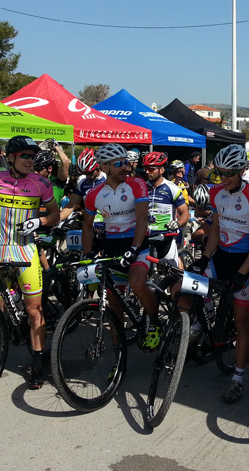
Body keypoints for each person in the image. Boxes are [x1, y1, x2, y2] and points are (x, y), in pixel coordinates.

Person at [0, 136, 59, 389]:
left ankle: (37, 361)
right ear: (10, 157)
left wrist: (40, 221)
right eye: (24, 155)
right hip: (1, 250)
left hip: (26, 251)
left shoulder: (41, 183)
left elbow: (55, 214)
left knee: (34, 311)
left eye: (32, 156)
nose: (30, 160)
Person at [191, 144, 249, 404]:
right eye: (220, 173)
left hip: (244, 261)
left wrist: (241, 273)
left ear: (242, 171)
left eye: (229, 174)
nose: (223, 178)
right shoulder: (215, 193)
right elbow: (215, 229)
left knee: (242, 322)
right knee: (189, 285)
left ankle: (238, 379)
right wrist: (205, 258)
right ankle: (203, 321)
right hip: (221, 255)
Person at [80, 144, 158, 351]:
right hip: (113, 245)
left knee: (137, 283)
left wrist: (134, 248)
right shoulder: (94, 193)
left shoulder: (137, 184)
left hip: (137, 242)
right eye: (119, 164)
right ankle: (119, 353)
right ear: (104, 167)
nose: (125, 167)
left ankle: (154, 321)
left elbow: (142, 219)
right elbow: (87, 225)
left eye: (126, 162)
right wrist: (87, 253)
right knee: (114, 301)